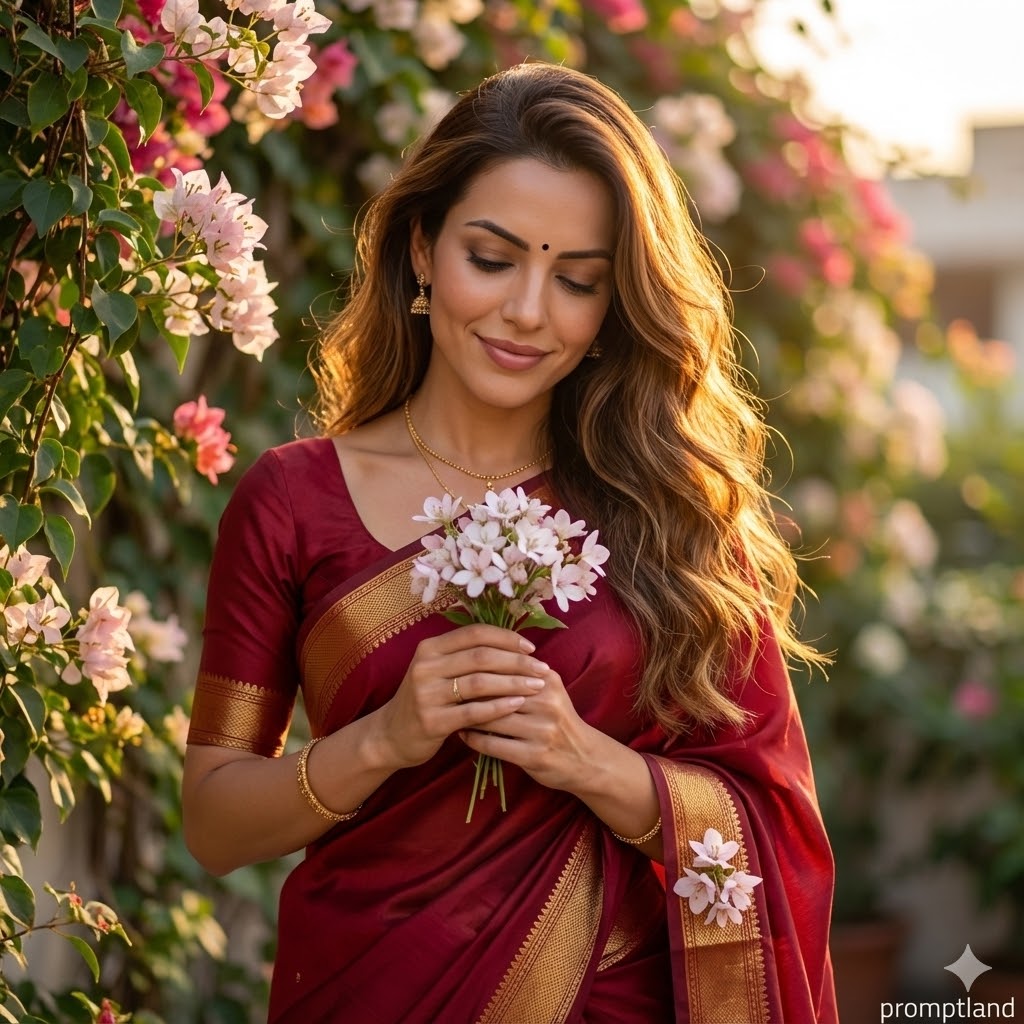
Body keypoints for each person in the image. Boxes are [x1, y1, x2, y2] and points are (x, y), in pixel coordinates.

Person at [182, 61, 839, 1023]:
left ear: (613, 304)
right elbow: (214, 823)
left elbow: (770, 822)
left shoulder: (665, 514)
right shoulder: (292, 501)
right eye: (491, 260)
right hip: (361, 991)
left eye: (577, 281)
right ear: (421, 248)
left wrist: (584, 760)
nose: (529, 311)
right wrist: (383, 741)